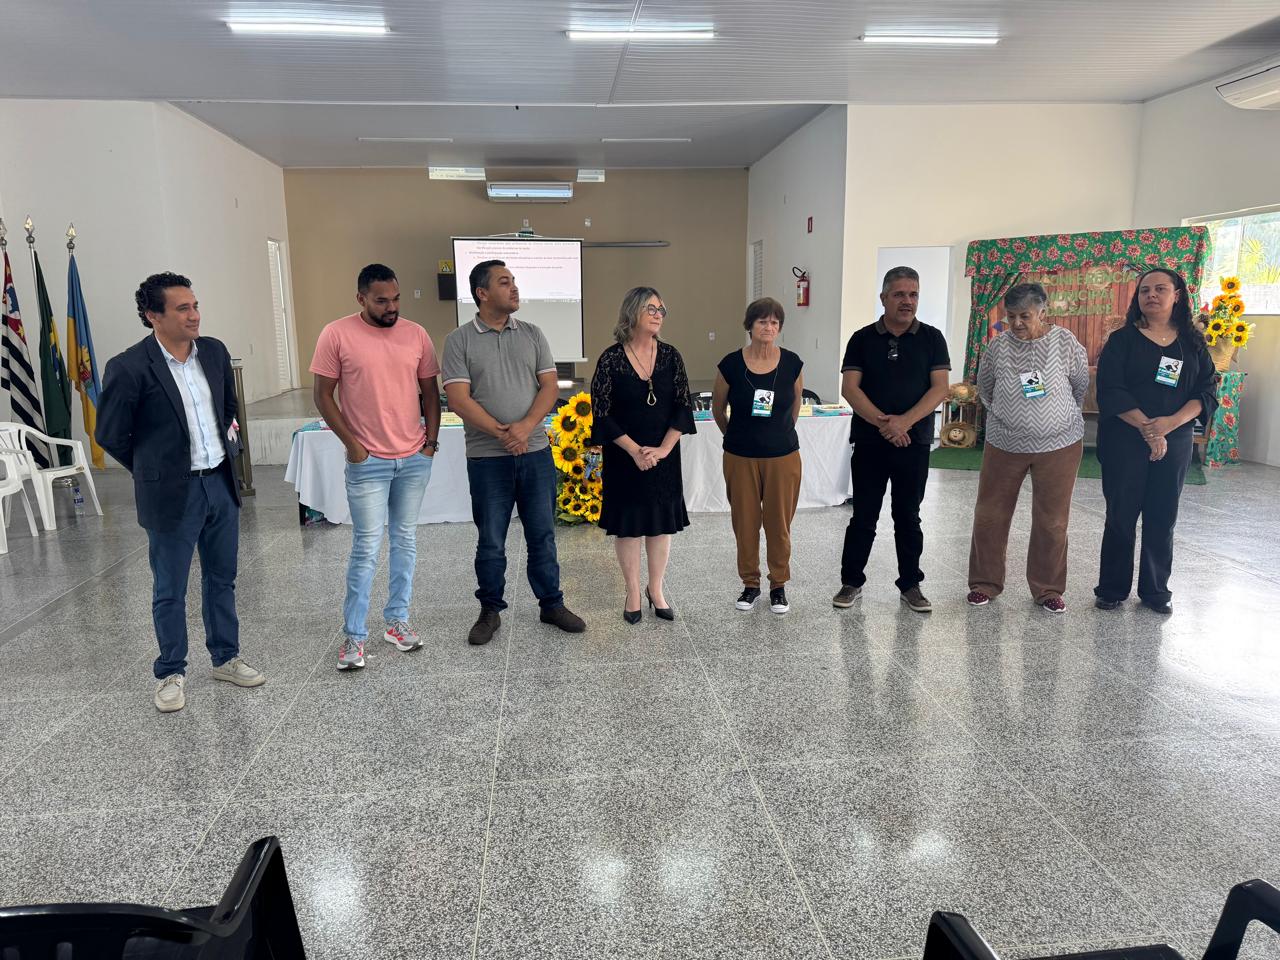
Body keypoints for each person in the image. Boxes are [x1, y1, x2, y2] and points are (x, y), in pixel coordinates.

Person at [96, 273, 264, 712]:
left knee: (222, 578)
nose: (194, 315)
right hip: (172, 494)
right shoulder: (130, 367)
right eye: (182, 308)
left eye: (195, 305)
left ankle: (226, 657)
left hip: (219, 484)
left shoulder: (214, 352)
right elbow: (110, 434)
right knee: (170, 587)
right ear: (153, 316)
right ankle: (170, 671)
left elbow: (227, 408)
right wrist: (153, 471)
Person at [442, 260, 585, 644]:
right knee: (491, 539)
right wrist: (502, 433)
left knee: (543, 534)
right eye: (504, 282)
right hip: (488, 459)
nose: (515, 288)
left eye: (514, 281)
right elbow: (458, 399)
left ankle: (551, 604)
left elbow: (550, 387)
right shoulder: (459, 340)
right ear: (482, 293)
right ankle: (490, 610)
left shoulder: (533, 334)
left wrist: (524, 428)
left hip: (535, 452)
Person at [310, 263, 441, 671]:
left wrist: (430, 445)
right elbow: (323, 395)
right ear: (361, 298)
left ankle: (397, 621)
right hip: (368, 461)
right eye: (382, 301)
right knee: (366, 547)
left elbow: (430, 393)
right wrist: (354, 447)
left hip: (413, 458)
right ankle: (354, 636)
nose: (392, 307)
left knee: (405, 540)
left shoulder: (416, 334)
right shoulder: (336, 334)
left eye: (396, 298)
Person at [1094, 267, 1217, 615]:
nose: (1151, 295)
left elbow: (1206, 391)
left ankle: (1156, 590)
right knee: (1121, 515)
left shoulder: (1192, 343)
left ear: (1177, 296)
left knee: (1163, 516)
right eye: (1145, 290)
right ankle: (1112, 589)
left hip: (1174, 440)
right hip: (1124, 439)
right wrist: (1149, 429)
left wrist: (1169, 425)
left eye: (1160, 289)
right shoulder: (1122, 340)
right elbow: (1111, 390)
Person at [833, 266, 951, 613]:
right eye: (899, 294)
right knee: (863, 516)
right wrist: (885, 425)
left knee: (908, 516)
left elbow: (940, 389)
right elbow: (850, 388)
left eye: (913, 294)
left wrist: (904, 424)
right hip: (870, 443)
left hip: (914, 444)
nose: (907, 301)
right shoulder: (862, 339)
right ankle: (851, 582)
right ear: (884, 297)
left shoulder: (932, 338)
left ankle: (911, 584)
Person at [967, 282, 1089, 613]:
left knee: (1053, 520)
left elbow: (1080, 385)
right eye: (1011, 316)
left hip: (1060, 444)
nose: (1017, 323)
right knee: (990, 514)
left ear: (1042, 312)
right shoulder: (997, 347)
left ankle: (1048, 589)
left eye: (1025, 316)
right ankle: (984, 583)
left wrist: (1054, 417)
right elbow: (985, 389)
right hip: (1005, 443)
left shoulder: (1065, 342)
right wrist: (1010, 417)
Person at [590, 287, 696, 623]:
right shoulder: (611, 359)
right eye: (651, 308)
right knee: (629, 527)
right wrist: (635, 450)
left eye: (661, 309)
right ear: (632, 312)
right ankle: (633, 591)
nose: (658, 314)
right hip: (625, 456)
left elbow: (683, 406)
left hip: (663, 456)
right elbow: (602, 413)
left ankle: (656, 589)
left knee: (660, 526)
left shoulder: (670, 356)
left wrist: (663, 449)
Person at [712, 297, 804, 615]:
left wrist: (779, 434)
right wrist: (735, 437)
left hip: (783, 456)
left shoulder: (792, 363)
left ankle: (778, 585)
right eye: (762, 321)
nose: (769, 327)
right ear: (750, 326)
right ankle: (750, 584)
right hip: (740, 456)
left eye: (775, 322)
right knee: (745, 523)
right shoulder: (730, 364)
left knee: (779, 525)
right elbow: (717, 409)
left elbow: (795, 405)